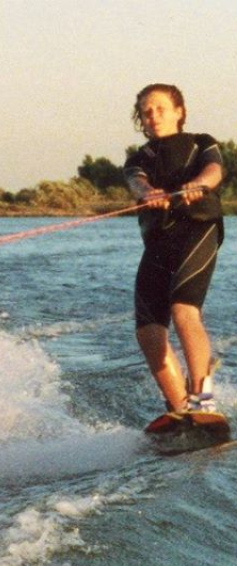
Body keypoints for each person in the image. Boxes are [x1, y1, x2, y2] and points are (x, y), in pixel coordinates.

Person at [123, 83, 225, 418]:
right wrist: (149, 192)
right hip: (158, 241)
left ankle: (202, 398)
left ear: (179, 111)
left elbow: (214, 171)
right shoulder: (137, 159)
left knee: (183, 309)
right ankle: (179, 406)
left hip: (197, 229)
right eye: (146, 111)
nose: (152, 117)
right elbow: (136, 181)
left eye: (160, 109)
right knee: (147, 328)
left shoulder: (201, 143)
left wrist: (199, 184)